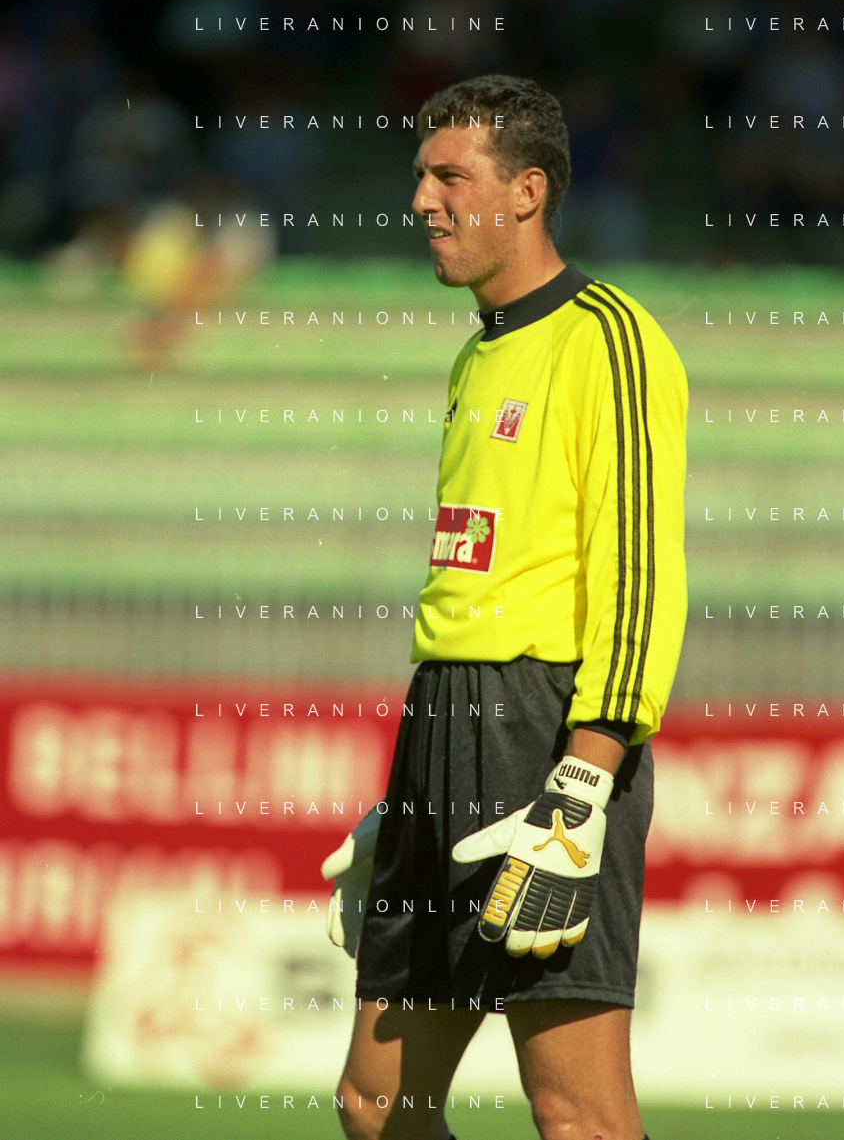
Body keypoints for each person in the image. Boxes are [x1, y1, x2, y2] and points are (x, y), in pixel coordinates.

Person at [322, 73, 687, 1140]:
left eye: (449, 177)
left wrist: (585, 777)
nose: (421, 201)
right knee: (377, 1105)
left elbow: (639, 571)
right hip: (444, 719)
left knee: (577, 1114)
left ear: (527, 192)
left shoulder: (607, 337)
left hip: (547, 732)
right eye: (419, 177)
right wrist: (414, 795)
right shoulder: (476, 354)